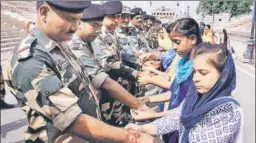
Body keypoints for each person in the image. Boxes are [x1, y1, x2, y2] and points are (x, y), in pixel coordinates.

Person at [4, 1, 154, 142]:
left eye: (79, 20)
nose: (75, 27)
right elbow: (72, 120)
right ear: (44, 13)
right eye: (70, 19)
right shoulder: (31, 59)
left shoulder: (58, 44)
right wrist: (131, 137)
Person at [127, 42, 243, 143]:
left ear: (223, 76)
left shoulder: (227, 111)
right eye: (194, 72)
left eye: (203, 73)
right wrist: (144, 129)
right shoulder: (196, 97)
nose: (195, 78)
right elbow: (178, 117)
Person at [67, 3, 147, 126]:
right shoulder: (75, 45)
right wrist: (138, 104)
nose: (98, 31)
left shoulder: (89, 40)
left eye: (99, 26)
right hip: (93, 94)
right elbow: (103, 78)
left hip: (106, 89)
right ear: (79, 23)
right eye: (94, 26)